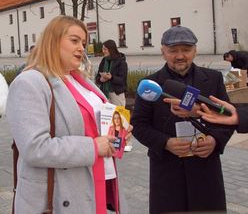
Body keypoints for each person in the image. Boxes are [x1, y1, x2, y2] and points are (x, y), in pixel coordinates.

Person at [6, 16, 131, 214]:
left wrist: (119, 132)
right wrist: (93, 146)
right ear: (52, 41)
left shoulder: (81, 80)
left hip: (96, 181)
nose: (82, 47)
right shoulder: (29, 83)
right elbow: (34, 147)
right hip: (61, 196)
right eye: (74, 41)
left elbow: (97, 123)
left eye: (83, 42)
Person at [131, 25, 234, 214]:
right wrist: (165, 142)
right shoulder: (150, 85)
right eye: (173, 51)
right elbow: (138, 125)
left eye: (186, 50)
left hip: (206, 171)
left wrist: (215, 140)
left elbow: (227, 118)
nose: (180, 56)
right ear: (163, 52)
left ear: (195, 51)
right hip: (167, 173)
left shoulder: (213, 79)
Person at [96, 40, 132, 152]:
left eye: (105, 49)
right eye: (102, 49)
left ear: (111, 49)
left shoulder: (121, 62)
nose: (103, 51)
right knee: (109, 119)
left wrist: (111, 77)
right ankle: (112, 141)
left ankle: (126, 142)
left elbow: (122, 80)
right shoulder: (103, 61)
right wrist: (101, 79)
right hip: (105, 93)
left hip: (116, 92)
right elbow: (97, 77)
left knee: (121, 118)